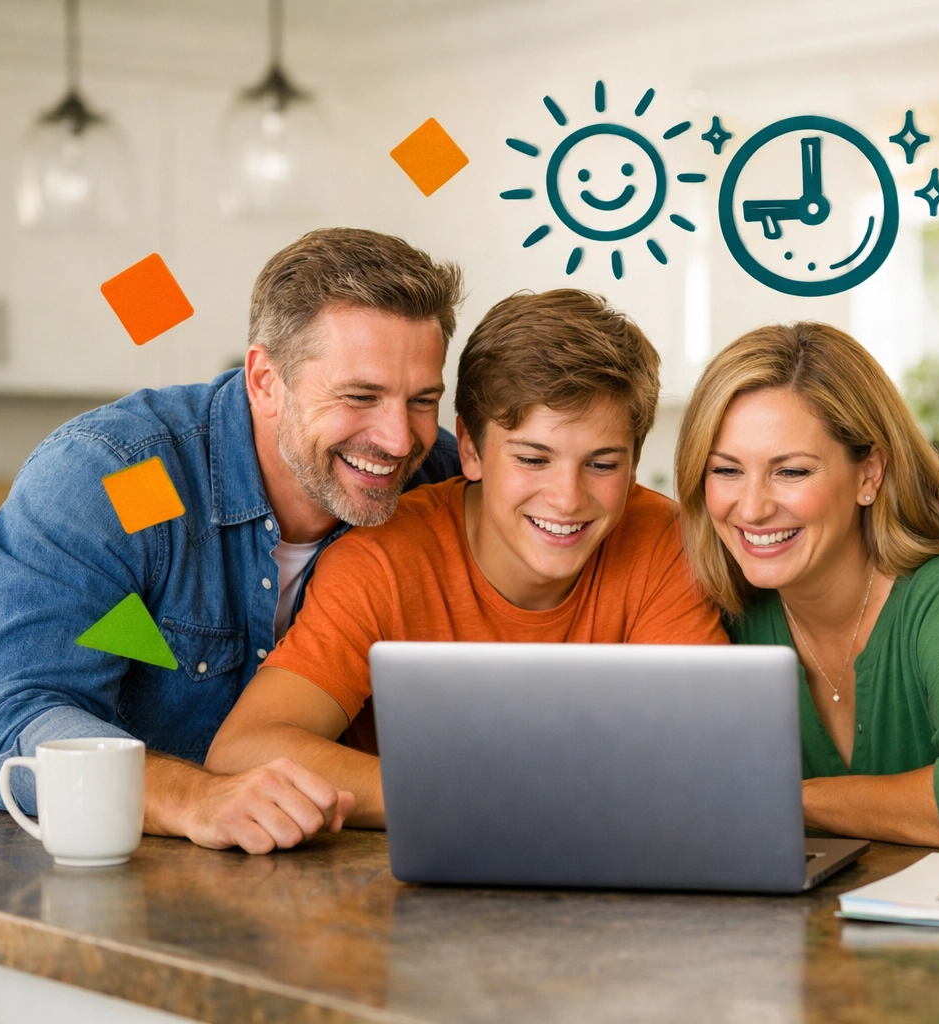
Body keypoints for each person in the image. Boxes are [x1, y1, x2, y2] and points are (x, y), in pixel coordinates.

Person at [0, 228, 465, 856]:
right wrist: (195, 798)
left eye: (423, 400)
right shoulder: (117, 478)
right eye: (360, 396)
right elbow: (11, 717)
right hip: (25, 882)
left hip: (272, 896)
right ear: (265, 381)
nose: (400, 440)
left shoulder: (436, 485)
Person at [205, 289, 728, 825]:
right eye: (532, 458)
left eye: (601, 465)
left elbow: (711, 757)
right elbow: (245, 748)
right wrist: (488, 797)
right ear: (471, 450)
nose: (567, 498)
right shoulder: (382, 561)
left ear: (635, 463)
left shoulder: (664, 542)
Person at [672, 323, 939, 851]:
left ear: (869, 475)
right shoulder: (718, 615)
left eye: (790, 472)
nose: (751, 508)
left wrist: (786, 799)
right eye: (726, 471)